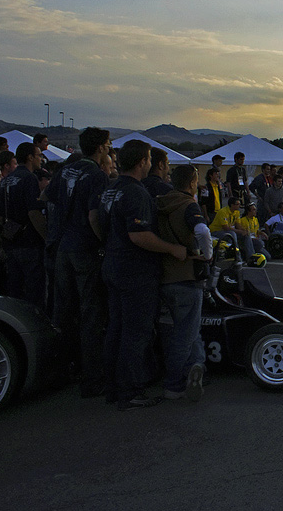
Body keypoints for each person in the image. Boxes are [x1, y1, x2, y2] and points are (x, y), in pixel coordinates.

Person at [99, 139, 187, 410]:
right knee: (136, 332)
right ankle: (131, 391)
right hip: (135, 272)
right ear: (141, 163)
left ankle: (113, 388)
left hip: (112, 265)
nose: (151, 163)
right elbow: (139, 235)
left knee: (116, 328)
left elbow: (96, 221)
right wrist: (173, 249)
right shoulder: (136, 194)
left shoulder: (111, 190)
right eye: (149, 159)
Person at [48, 126, 111, 398]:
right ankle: (92, 380)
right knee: (91, 315)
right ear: (99, 148)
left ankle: (58, 373)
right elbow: (94, 217)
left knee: (63, 313)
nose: (109, 148)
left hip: (62, 248)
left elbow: (46, 199)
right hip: (85, 250)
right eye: (108, 144)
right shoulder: (96, 175)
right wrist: (105, 243)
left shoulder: (64, 170)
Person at [155, 164, 211, 401]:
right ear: (191, 183)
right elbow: (203, 231)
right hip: (187, 277)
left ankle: (196, 366)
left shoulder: (160, 203)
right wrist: (207, 256)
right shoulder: (188, 205)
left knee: (188, 329)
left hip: (163, 277)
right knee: (184, 335)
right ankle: (174, 384)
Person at [1, 142, 47, 307]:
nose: (41, 159)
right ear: (30, 157)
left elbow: (0, 215)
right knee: (34, 293)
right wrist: (47, 238)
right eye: (38, 155)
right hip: (29, 243)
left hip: (10, 242)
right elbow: (33, 213)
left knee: (14, 291)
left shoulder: (6, 180)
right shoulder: (29, 178)